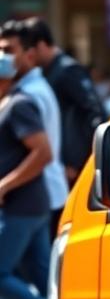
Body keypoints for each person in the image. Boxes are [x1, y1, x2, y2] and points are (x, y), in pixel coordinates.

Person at [0, 36, 54, 299]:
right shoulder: (8, 104)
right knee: (43, 278)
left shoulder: (19, 105)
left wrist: (7, 183)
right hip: (28, 207)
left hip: (22, 206)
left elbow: (43, 152)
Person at [1, 20, 68, 238]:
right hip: (38, 197)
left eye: (9, 50)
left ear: (29, 54)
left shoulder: (29, 96)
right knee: (41, 271)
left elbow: (42, 152)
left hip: (35, 195)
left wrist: (4, 185)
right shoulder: (24, 90)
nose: (3, 58)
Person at [24, 17, 104, 185]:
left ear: (41, 45)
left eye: (30, 50)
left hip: (72, 167)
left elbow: (94, 113)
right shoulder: (47, 72)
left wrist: (77, 161)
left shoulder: (67, 70)